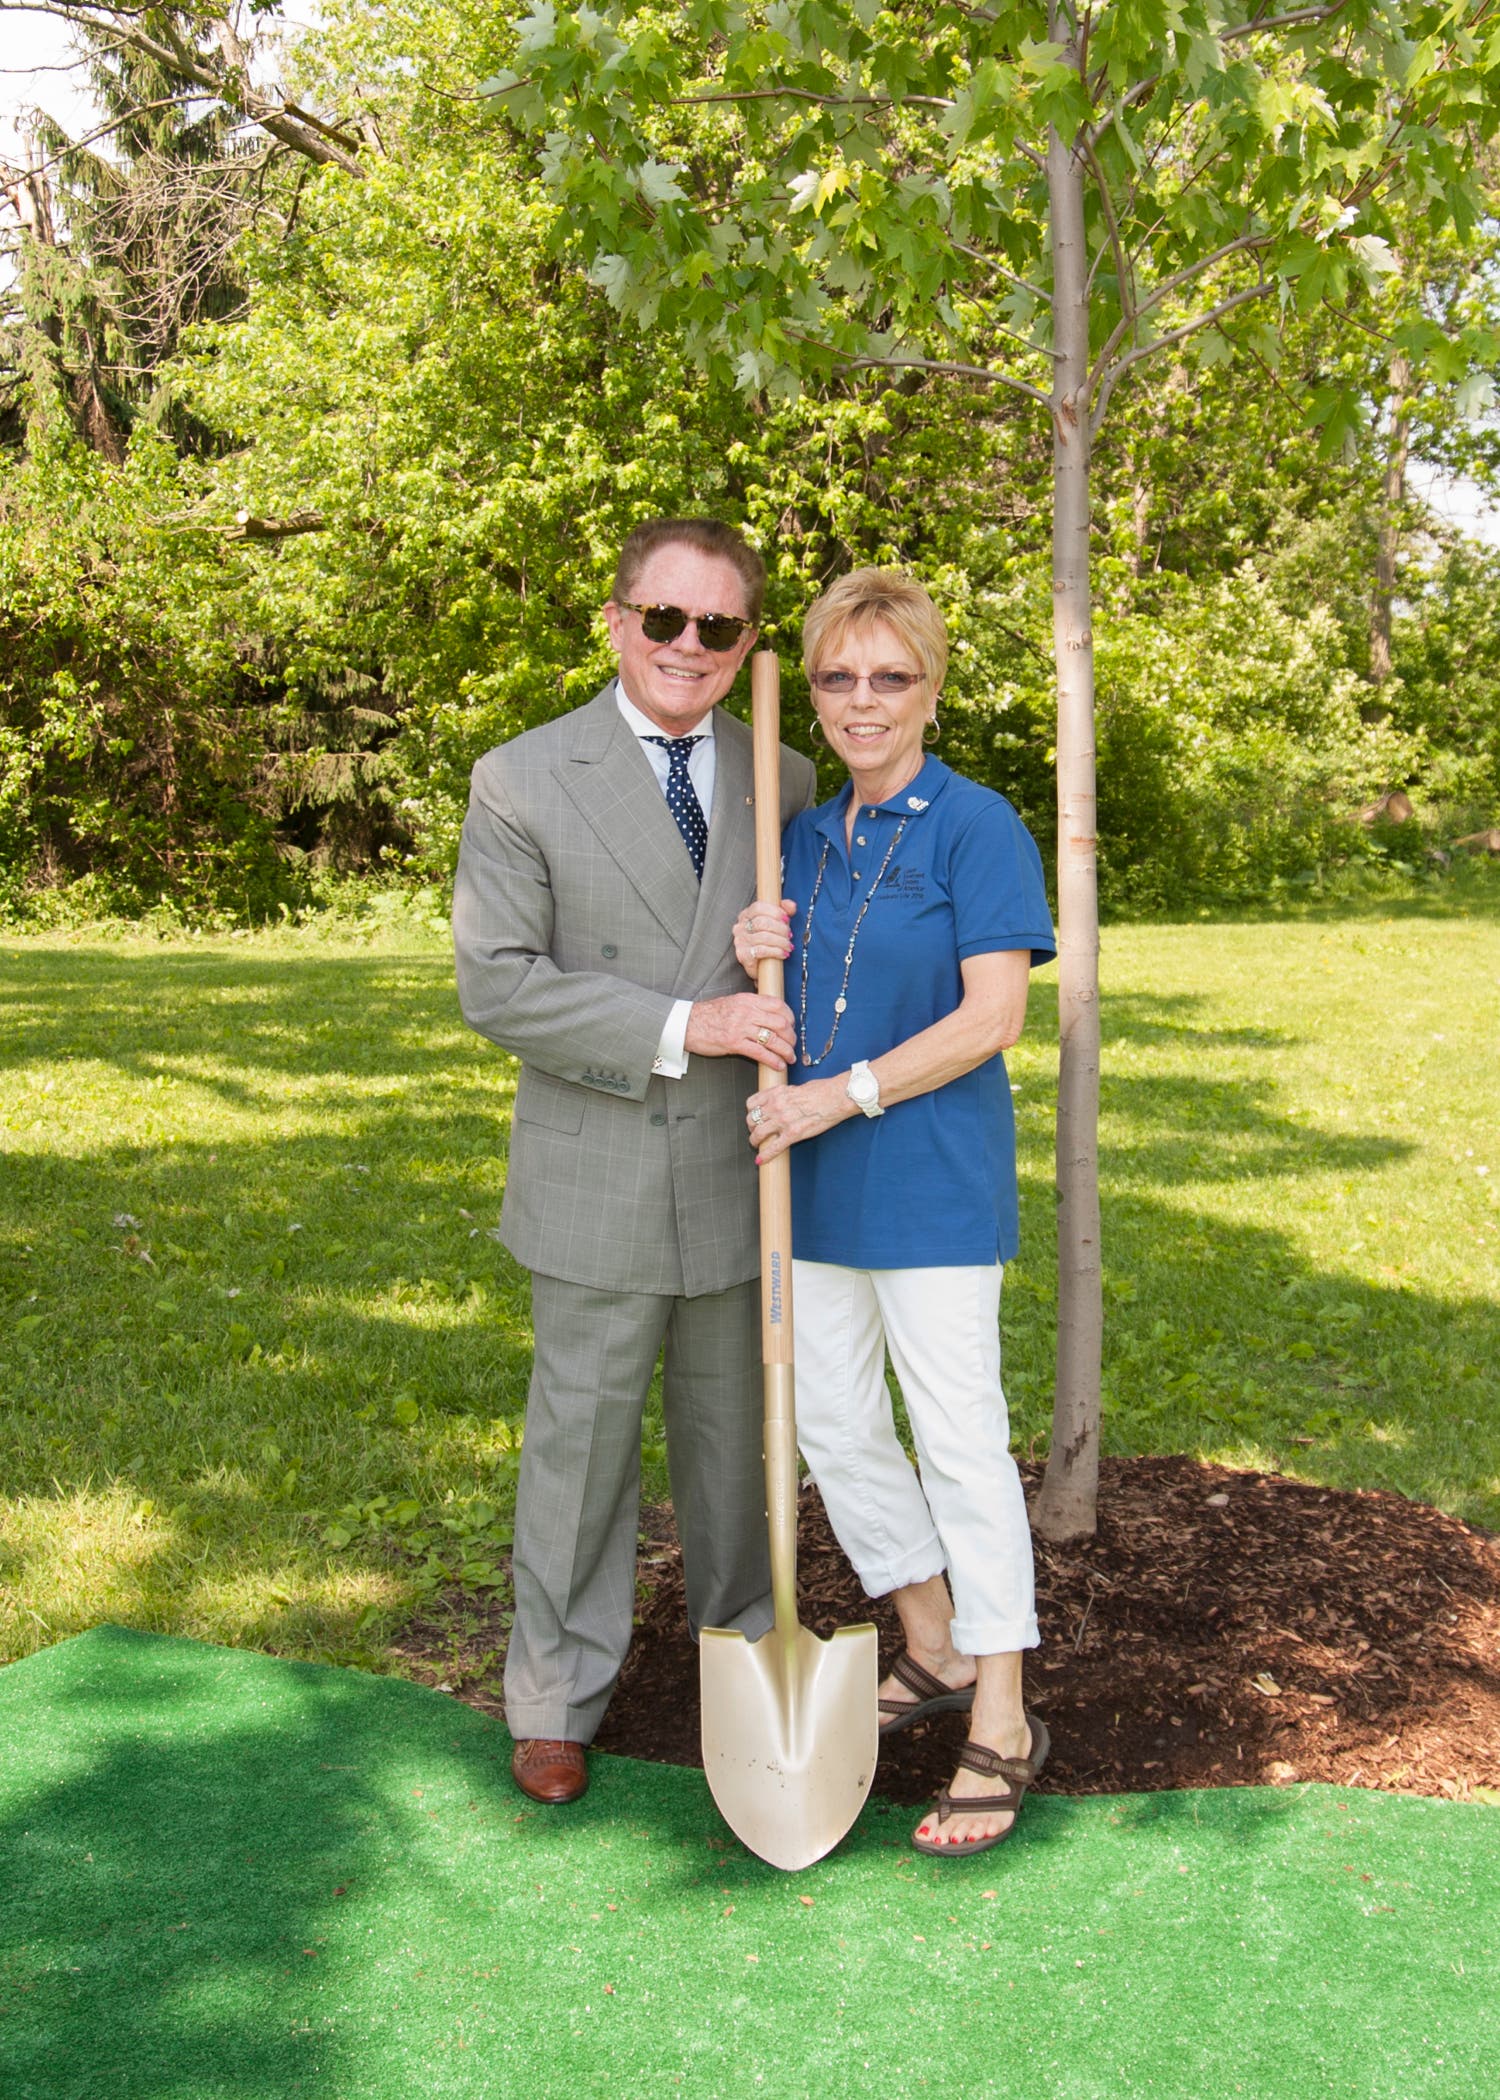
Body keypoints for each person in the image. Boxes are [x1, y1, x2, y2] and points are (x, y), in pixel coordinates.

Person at [453, 519, 817, 1807]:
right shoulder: (523, 778)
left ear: (746, 641)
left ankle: (744, 1674)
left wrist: (793, 955)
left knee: (739, 1455)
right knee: (582, 1451)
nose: (687, 645)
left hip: (741, 1170)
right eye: (663, 617)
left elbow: (823, 969)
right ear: (615, 621)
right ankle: (555, 1699)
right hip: (595, 1172)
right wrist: (687, 1024)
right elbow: (499, 986)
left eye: (717, 626)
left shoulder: (785, 776)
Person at [732, 568, 1056, 1857]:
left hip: (929, 1181)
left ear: (930, 689)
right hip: (808, 1182)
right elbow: (795, 994)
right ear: (812, 693)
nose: (862, 701)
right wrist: (753, 943)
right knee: (833, 1423)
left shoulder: (978, 825)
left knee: (960, 1439)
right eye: (837, 678)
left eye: (890, 677)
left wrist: (840, 1094)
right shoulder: (801, 838)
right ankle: (931, 1641)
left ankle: (1005, 1715)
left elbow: (993, 1017)